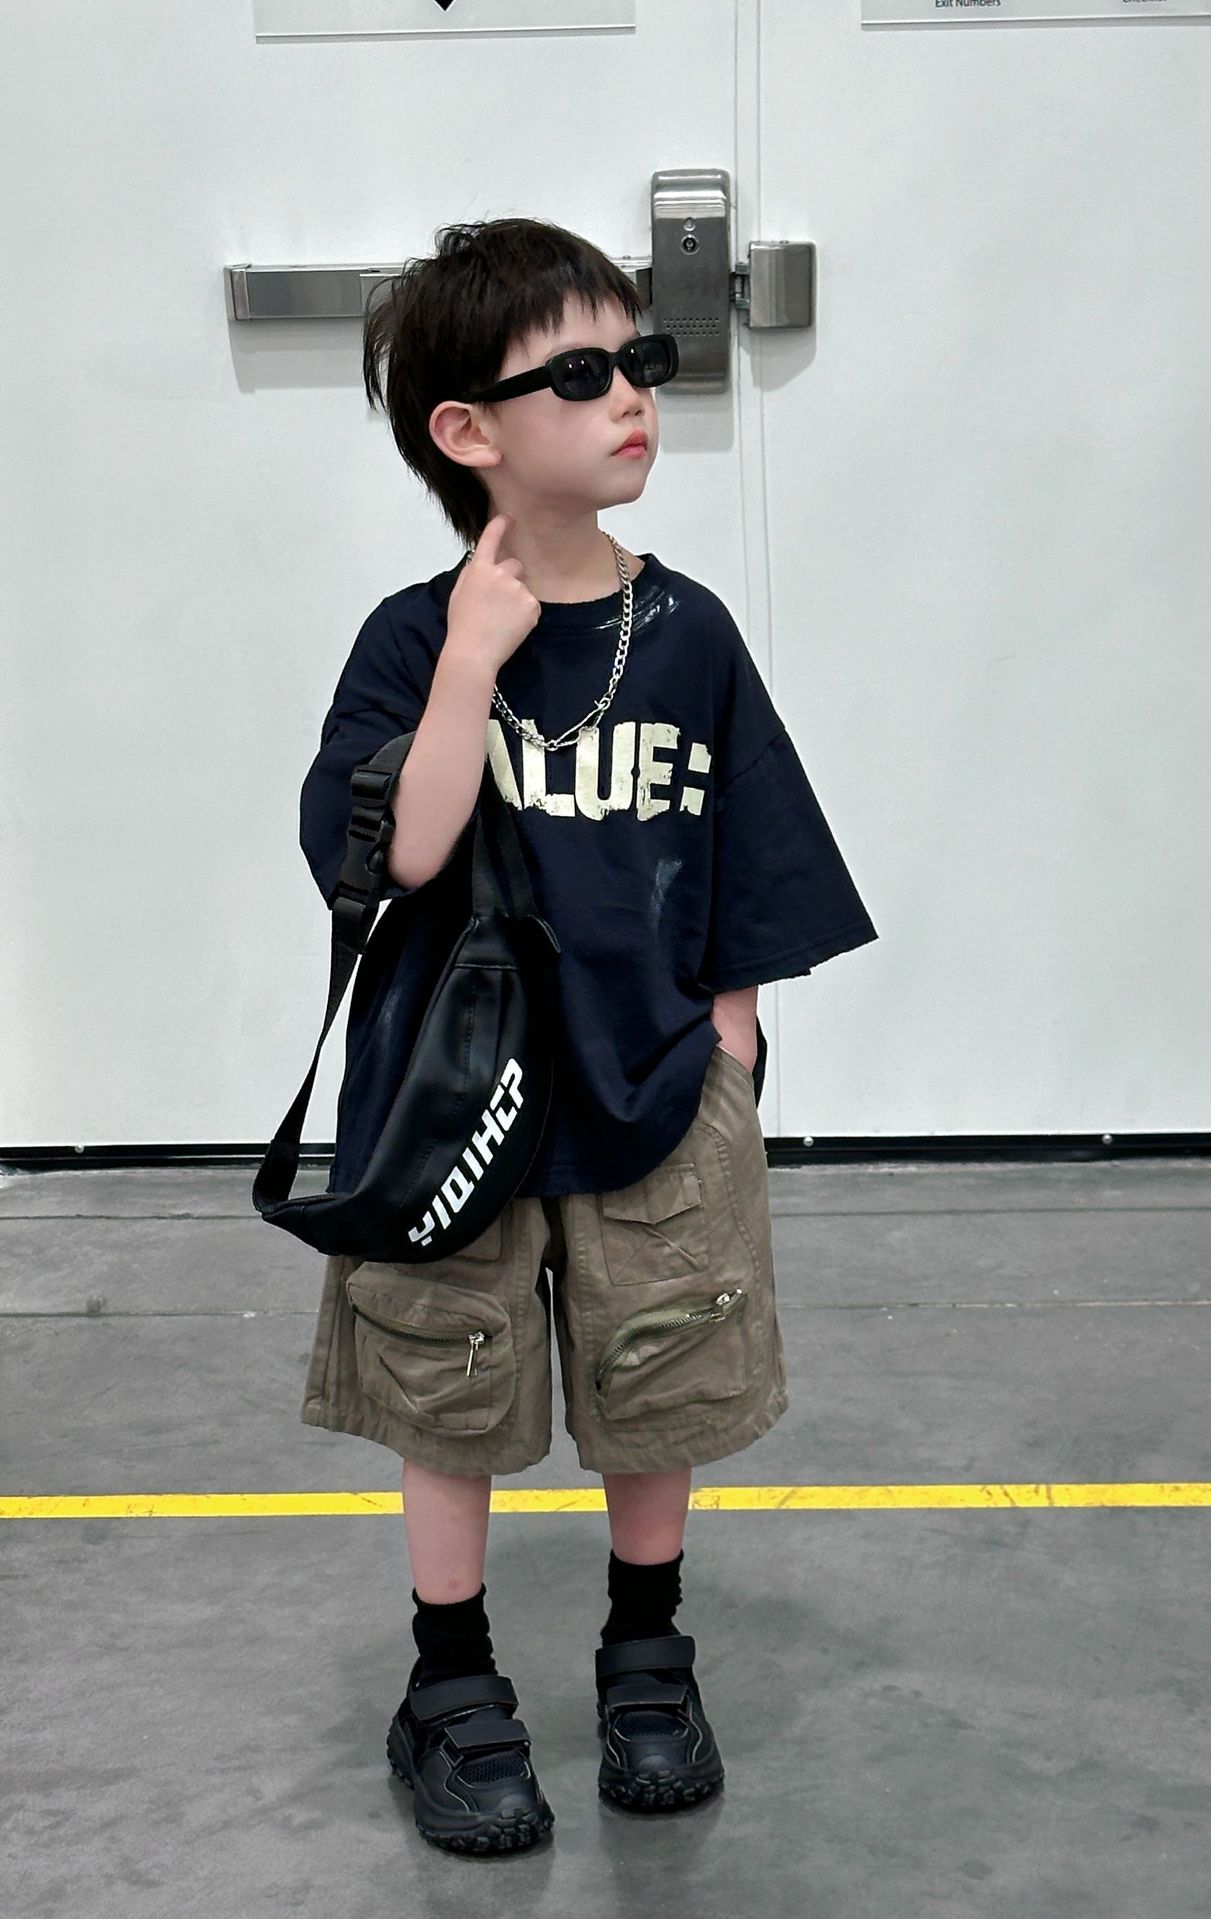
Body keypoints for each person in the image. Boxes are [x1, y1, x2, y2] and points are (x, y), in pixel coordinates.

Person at [294, 217, 878, 1856]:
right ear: (467, 432)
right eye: (579, 374)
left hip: (655, 1088)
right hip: (453, 1107)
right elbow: (402, 855)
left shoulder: (685, 631)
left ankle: (646, 1652)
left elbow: (752, 861)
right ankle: (450, 1678)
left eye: (642, 362)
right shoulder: (413, 638)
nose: (630, 396)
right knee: (451, 1388)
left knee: (660, 1371)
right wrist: (471, 665)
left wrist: (731, 1054)